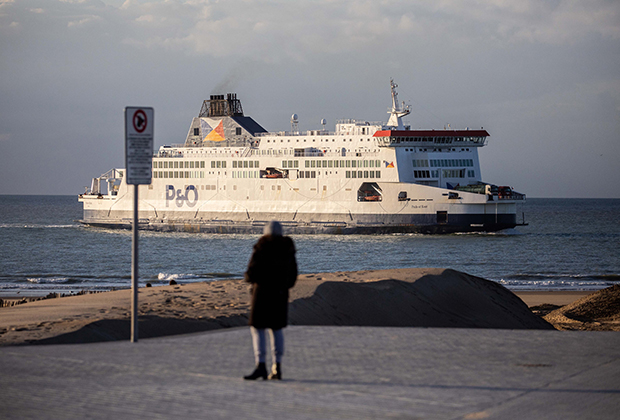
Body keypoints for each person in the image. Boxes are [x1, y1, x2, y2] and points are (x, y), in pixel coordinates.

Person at [243, 221, 297, 380]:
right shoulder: (288, 250)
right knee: (277, 329)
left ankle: (260, 365)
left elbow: (251, 272)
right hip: (280, 294)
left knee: (257, 329)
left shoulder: (261, 247)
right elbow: (293, 275)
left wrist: (251, 280)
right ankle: (277, 366)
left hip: (261, 294)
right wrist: (284, 286)